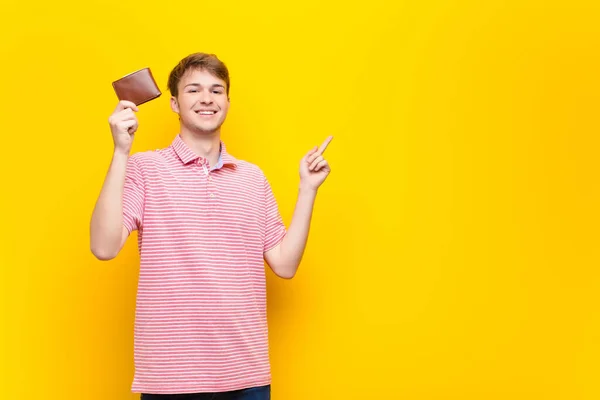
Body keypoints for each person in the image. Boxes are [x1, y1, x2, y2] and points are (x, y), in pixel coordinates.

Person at [90, 52, 333, 399]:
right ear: (174, 103)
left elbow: (285, 263)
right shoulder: (145, 169)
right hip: (171, 377)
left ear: (228, 102)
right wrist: (120, 152)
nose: (206, 98)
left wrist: (307, 189)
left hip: (246, 374)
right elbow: (103, 247)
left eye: (216, 90)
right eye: (194, 90)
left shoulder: (253, 178)